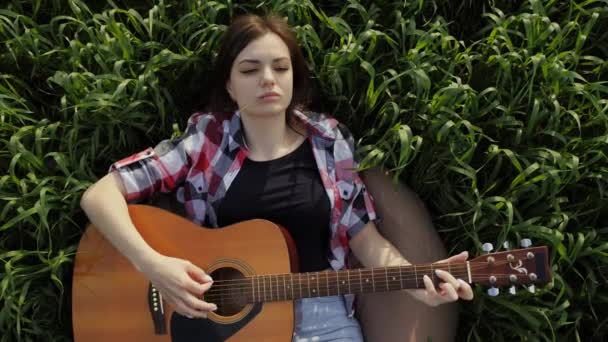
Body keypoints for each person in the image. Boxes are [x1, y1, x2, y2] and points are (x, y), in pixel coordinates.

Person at [80, 13, 474, 341]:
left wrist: (419, 286)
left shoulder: (328, 141)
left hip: (326, 322)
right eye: (250, 70)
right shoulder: (205, 141)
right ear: (230, 87)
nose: (267, 79)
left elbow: (366, 242)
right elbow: (100, 196)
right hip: (226, 330)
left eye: (280, 67)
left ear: (293, 78)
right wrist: (155, 266)